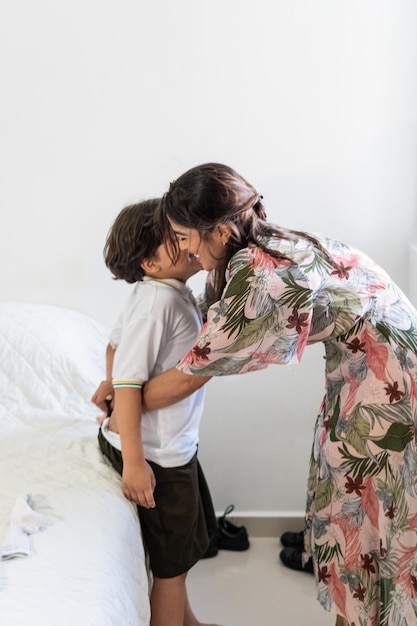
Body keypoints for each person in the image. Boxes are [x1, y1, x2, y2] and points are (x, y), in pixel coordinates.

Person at [140, 163, 417, 626]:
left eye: (186, 236)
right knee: (346, 490)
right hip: (366, 367)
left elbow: (195, 369)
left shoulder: (264, 272)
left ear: (221, 230)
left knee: (367, 506)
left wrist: (124, 399)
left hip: (391, 380)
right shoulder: (260, 244)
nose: (184, 248)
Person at [91, 198, 220, 626]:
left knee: (178, 561)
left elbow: (114, 345)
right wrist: (134, 461)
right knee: (170, 571)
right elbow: (130, 383)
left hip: (171, 448)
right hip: (157, 457)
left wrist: (110, 379)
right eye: (176, 238)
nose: (188, 242)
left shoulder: (161, 293)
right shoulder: (158, 304)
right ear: (150, 261)